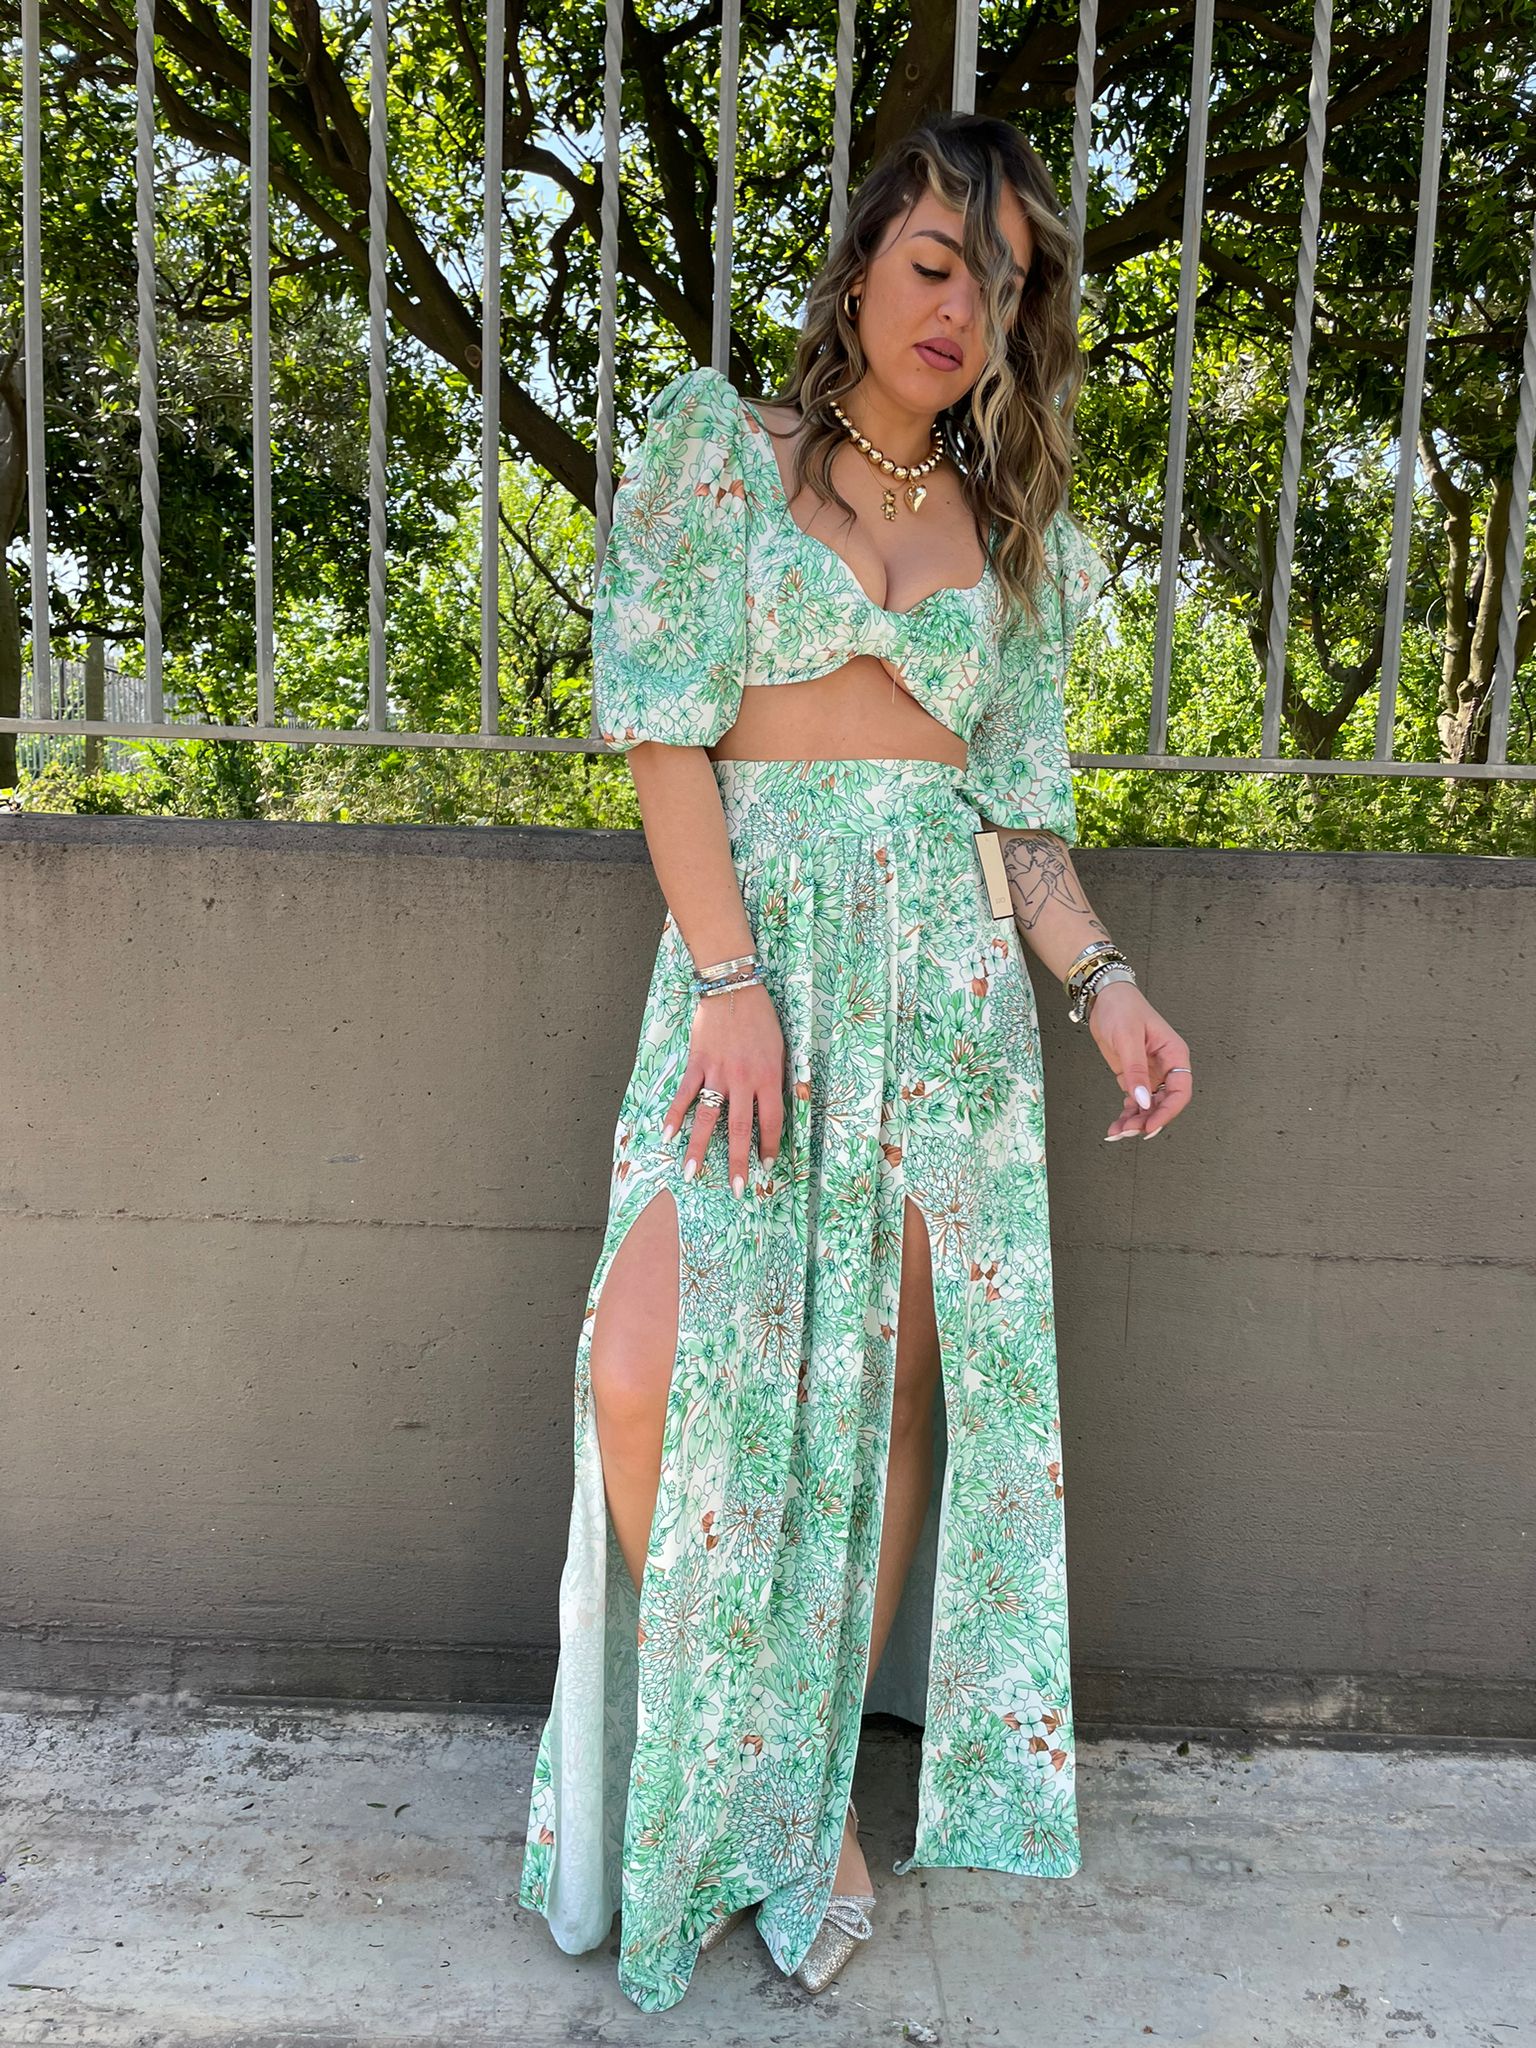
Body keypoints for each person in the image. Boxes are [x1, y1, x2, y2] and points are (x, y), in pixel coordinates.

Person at [517, 111, 1193, 2013]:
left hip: (944, 1012)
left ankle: (808, 1799)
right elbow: (664, 734)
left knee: (887, 1403)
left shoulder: (1009, 542)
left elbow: (1019, 823)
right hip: (753, 982)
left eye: (1001, 287)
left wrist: (1108, 989)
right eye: (936, 263)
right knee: (644, 1362)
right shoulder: (721, 458)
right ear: (868, 260)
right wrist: (730, 977)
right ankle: (720, 1745)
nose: (961, 311)